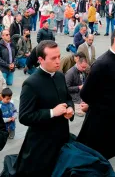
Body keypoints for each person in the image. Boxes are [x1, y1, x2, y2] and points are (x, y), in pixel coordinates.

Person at [15, 40, 74, 177]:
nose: (58, 61)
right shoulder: (31, 83)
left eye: (59, 56)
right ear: (40, 59)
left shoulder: (59, 76)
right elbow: (24, 116)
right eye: (53, 58)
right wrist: (52, 112)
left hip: (62, 138)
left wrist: (70, 109)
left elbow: (67, 98)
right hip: (41, 144)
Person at [77, 27, 115, 160]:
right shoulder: (102, 63)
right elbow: (85, 93)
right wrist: (95, 106)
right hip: (99, 122)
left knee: (114, 157)